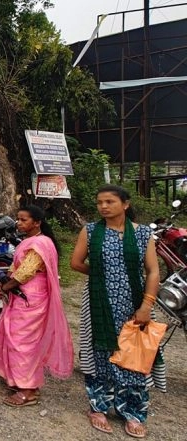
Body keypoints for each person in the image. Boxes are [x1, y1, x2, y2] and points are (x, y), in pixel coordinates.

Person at [70, 185, 163, 438]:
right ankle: (98, 407)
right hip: (98, 302)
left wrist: (146, 306)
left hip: (134, 304)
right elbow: (75, 263)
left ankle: (132, 412)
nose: (103, 206)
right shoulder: (90, 232)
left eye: (109, 201)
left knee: (134, 354)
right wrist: (102, 275)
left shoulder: (143, 234)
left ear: (126, 204)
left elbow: (153, 271)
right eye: (100, 202)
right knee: (100, 352)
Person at [0, 205, 74, 407]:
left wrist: (6, 286)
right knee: (16, 338)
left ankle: (30, 389)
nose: (19, 223)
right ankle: (20, 380)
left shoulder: (40, 243)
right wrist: (4, 282)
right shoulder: (30, 241)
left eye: (24, 220)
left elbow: (26, 272)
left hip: (31, 300)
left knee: (23, 342)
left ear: (37, 222)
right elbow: (16, 267)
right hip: (24, 297)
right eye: (18, 219)